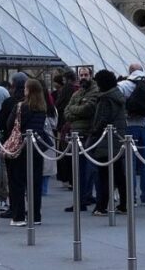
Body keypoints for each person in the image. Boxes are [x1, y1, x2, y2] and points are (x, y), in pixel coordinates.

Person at [6, 79, 56, 226]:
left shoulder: (20, 106)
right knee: (34, 183)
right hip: (36, 148)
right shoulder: (42, 107)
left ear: (28, 90)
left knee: (17, 183)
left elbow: (10, 125)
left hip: (21, 148)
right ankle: (35, 216)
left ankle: (18, 216)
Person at [118, 64, 145, 206]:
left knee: (129, 163)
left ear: (129, 72)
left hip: (129, 127)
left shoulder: (123, 85)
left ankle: (132, 197)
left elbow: (117, 103)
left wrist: (126, 112)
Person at [91, 70, 128, 216]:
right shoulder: (117, 95)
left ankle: (101, 206)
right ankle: (124, 204)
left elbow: (103, 118)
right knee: (119, 175)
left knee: (104, 175)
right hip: (117, 139)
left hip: (106, 140)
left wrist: (94, 130)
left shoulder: (106, 98)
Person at [65, 67, 100, 212]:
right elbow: (66, 112)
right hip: (76, 134)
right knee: (78, 169)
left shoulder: (95, 91)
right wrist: (76, 111)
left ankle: (85, 198)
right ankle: (80, 199)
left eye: (86, 74)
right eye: (81, 75)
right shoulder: (77, 92)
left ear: (91, 76)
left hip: (88, 134)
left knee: (88, 169)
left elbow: (89, 109)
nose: (83, 77)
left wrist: (75, 110)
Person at [0, 72, 28, 217]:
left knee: (12, 177)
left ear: (13, 85)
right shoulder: (31, 101)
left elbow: (2, 121)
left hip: (11, 143)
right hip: (27, 142)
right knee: (25, 177)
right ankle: (27, 206)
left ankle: (15, 207)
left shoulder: (10, 102)